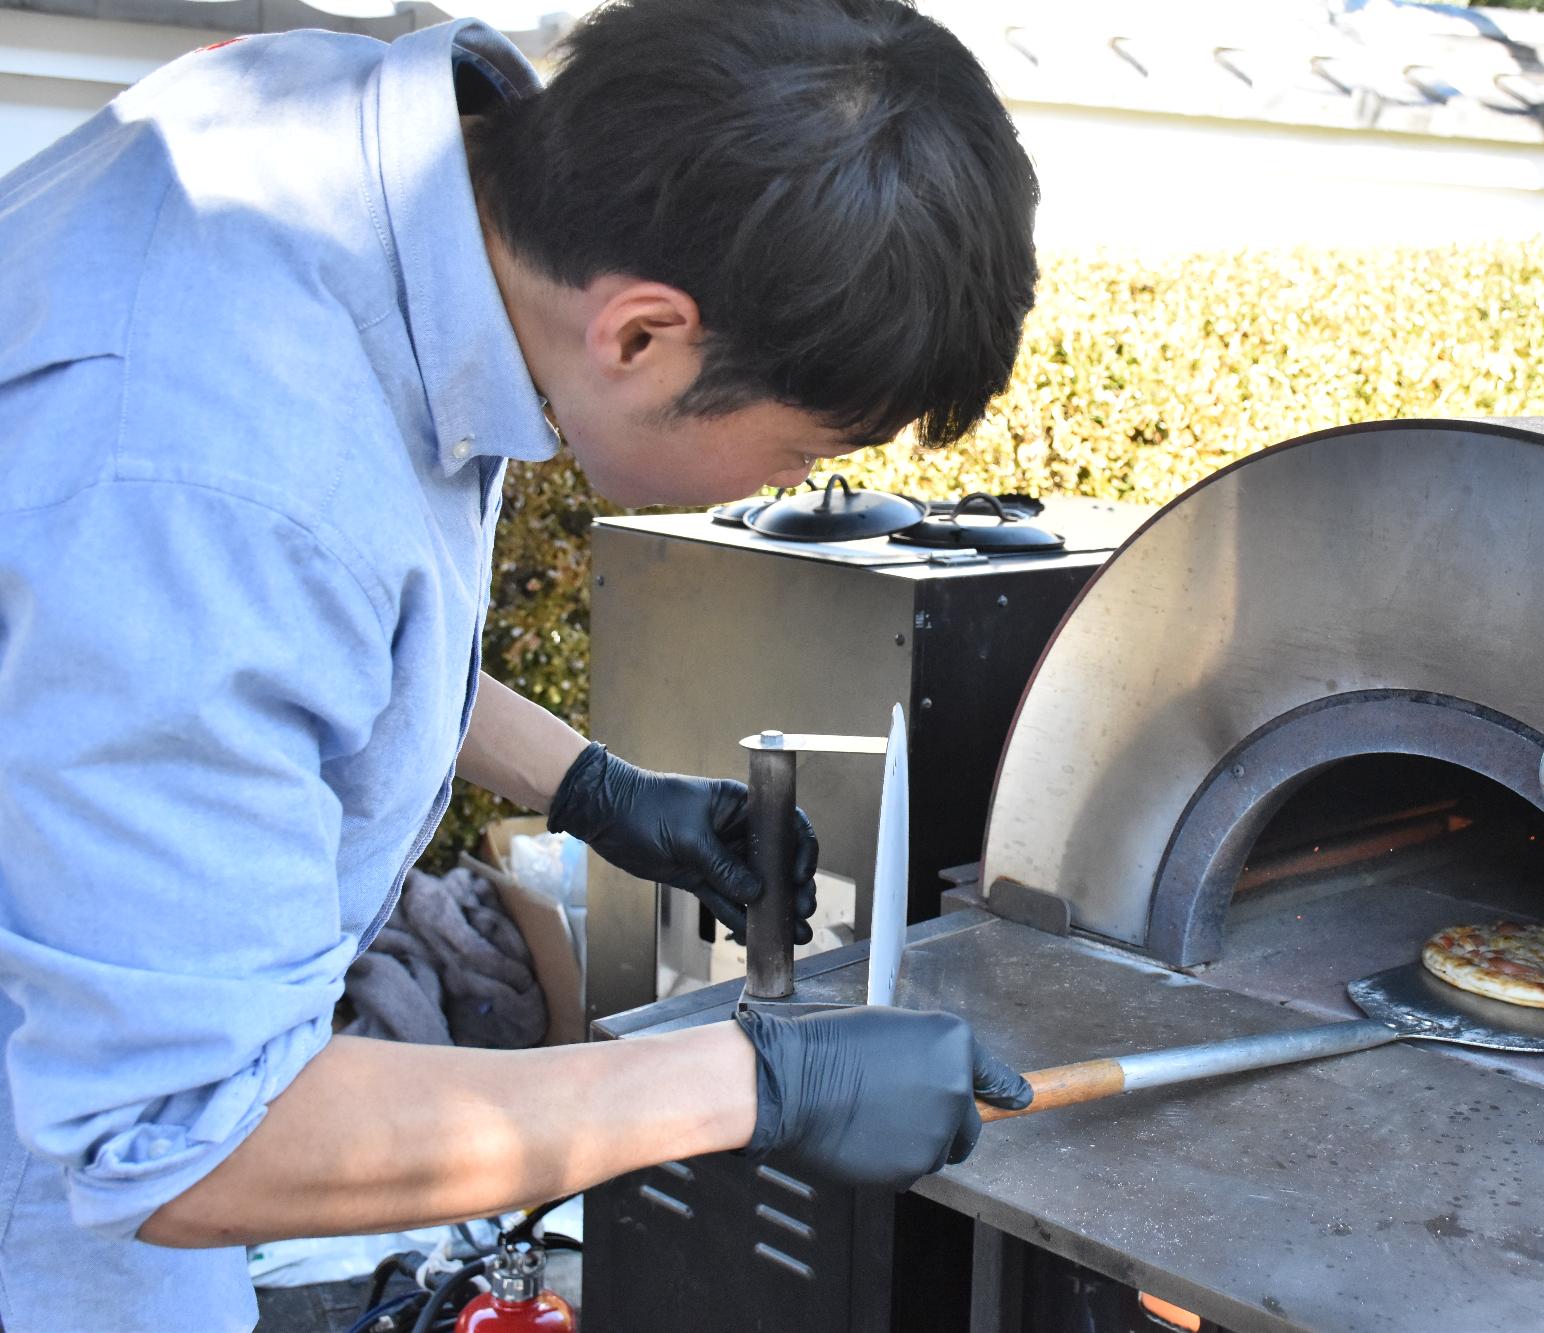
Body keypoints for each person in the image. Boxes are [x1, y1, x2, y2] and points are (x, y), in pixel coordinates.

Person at [0, 0, 1041, 1327]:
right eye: (801, 457)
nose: (790, 484)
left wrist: (599, 789)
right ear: (644, 338)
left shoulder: (378, 169)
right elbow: (184, 1136)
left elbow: (299, 645)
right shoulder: (215, 471)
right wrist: (748, 1084)